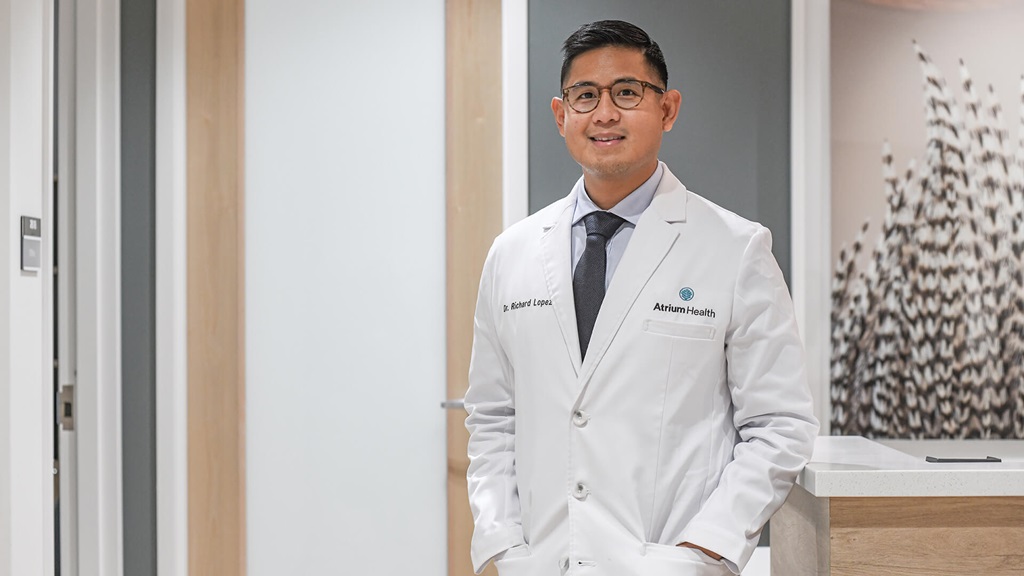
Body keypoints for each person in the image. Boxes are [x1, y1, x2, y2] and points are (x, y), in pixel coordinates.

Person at [464, 20, 818, 576]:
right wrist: (498, 545)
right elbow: (491, 417)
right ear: (561, 116)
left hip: (666, 563)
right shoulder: (511, 254)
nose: (604, 113)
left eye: (627, 92)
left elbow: (780, 425)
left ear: (667, 109)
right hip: (540, 563)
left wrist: (706, 550)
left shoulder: (735, 248)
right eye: (585, 96)